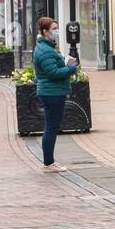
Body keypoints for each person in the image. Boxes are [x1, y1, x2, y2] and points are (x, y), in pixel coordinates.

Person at [33, 16, 78, 172]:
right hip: (52, 92)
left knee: (51, 126)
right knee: (51, 127)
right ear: (45, 32)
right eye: (54, 29)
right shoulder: (45, 50)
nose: (57, 32)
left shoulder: (47, 47)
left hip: (53, 91)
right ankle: (49, 163)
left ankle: (49, 162)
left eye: (57, 28)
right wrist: (71, 69)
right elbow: (53, 72)